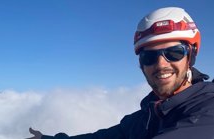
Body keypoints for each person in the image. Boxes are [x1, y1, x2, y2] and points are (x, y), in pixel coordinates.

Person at [27, 7, 214, 139]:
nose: (160, 64)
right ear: (141, 64)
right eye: (148, 57)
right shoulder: (147, 116)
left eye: (173, 53)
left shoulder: (207, 109)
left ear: (191, 55)